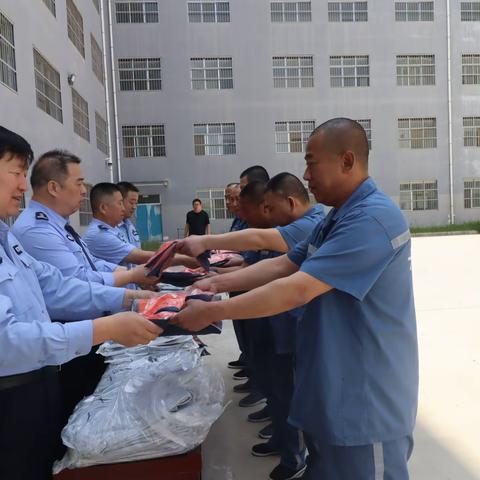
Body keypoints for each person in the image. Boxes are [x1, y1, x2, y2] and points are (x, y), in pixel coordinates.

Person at [173, 118, 418, 480]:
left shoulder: (372, 220)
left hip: (364, 405)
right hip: (331, 391)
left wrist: (214, 309)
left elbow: (297, 288)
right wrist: (213, 284)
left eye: (312, 162)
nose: (305, 174)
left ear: (347, 161)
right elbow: (284, 265)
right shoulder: (335, 218)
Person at [0, 126, 162, 480]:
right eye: (15, 173)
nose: (23, 187)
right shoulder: (32, 230)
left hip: (39, 379)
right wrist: (105, 326)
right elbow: (6, 341)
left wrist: (127, 295)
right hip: (11, 395)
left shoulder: (5, 238)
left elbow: (57, 286)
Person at [179, 172, 324, 480]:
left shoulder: (310, 225)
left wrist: (205, 244)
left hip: (287, 323)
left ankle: (296, 455)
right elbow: (265, 265)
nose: (263, 214)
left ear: (288, 201)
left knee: (291, 394)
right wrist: (215, 281)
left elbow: (270, 259)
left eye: (268, 208)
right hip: (267, 317)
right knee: (274, 385)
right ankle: (286, 443)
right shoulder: (287, 226)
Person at [12, 150, 151, 288]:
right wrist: (132, 277)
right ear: (54, 188)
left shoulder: (59, 224)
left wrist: (131, 273)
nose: (84, 190)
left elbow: (91, 263)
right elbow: (78, 282)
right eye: (79, 184)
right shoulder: (37, 230)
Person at [83, 183, 156, 267]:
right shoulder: (98, 234)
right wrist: (170, 255)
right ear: (103, 208)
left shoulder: (125, 225)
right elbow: (139, 257)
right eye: (120, 203)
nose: (123, 208)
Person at [117, 181, 141, 248]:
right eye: (131, 202)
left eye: (136, 203)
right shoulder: (110, 228)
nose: (134, 207)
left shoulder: (129, 225)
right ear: (120, 201)